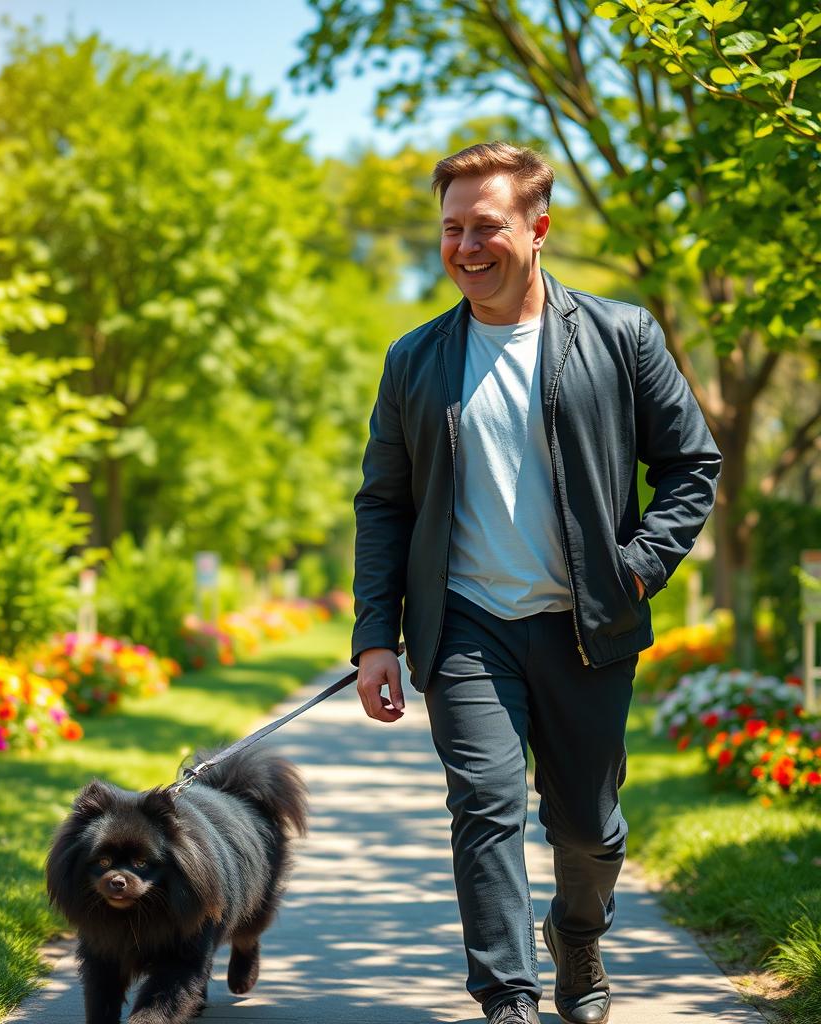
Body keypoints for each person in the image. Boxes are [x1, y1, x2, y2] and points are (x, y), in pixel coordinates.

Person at [351, 142, 721, 1024]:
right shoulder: (416, 359)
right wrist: (375, 636)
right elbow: (384, 504)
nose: (466, 247)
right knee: (484, 806)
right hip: (469, 626)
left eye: (486, 227)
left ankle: (579, 935)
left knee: (588, 828)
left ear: (538, 228)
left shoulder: (621, 335)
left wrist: (637, 568)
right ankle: (507, 999)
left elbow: (692, 466)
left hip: (587, 625)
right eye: (451, 229)